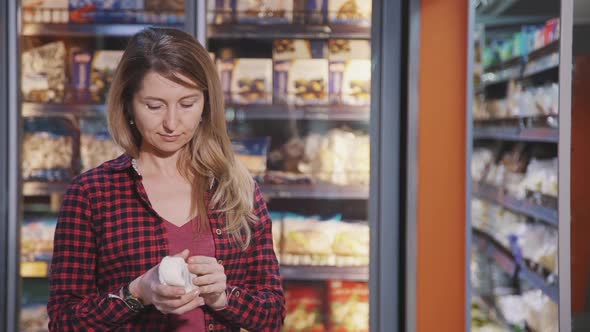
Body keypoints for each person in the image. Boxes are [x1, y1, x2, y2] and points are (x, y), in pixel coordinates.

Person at [47, 27, 285, 331]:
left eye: (187, 104)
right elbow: (64, 321)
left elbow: (273, 316)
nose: (172, 123)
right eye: (154, 106)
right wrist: (137, 292)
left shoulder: (237, 189)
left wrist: (223, 297)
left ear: (206, 106)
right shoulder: (92, 194)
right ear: (129, 106)